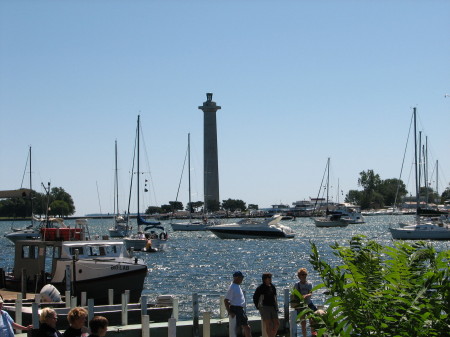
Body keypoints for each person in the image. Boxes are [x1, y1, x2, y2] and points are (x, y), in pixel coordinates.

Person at [290, 268, 317, 337]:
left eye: (305, 274)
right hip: (301, 305)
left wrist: (306, 295)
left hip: (308, 304)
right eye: (302, 274)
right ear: (299, 276)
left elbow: (310, 293)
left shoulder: (309, 284)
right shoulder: (297, 285)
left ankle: (313, 335)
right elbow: (294, 294)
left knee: (312, 321)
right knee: (303, 322)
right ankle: (304, 335)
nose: (304, 276)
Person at [224, 271, 251, 337]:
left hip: (240, 309)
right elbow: (226, 300)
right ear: (236, 278)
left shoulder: (237, 286)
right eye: (241, 277)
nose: (242, 279)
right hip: (235, 309)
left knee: (246, 327)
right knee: (235, 328)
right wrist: (230, 312)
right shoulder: (232, 287)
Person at [252, 272, 280, 337]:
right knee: (269, 324)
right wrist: (258, 307)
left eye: (270, 277)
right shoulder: (260, 288)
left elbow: (275, 297)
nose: (270, 279)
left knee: (277, 323)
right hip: (264, 307)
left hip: (273, 307)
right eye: (269, 278)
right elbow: (255, 297)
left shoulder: (272, 287)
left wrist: (276, 307)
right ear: (265, 279)